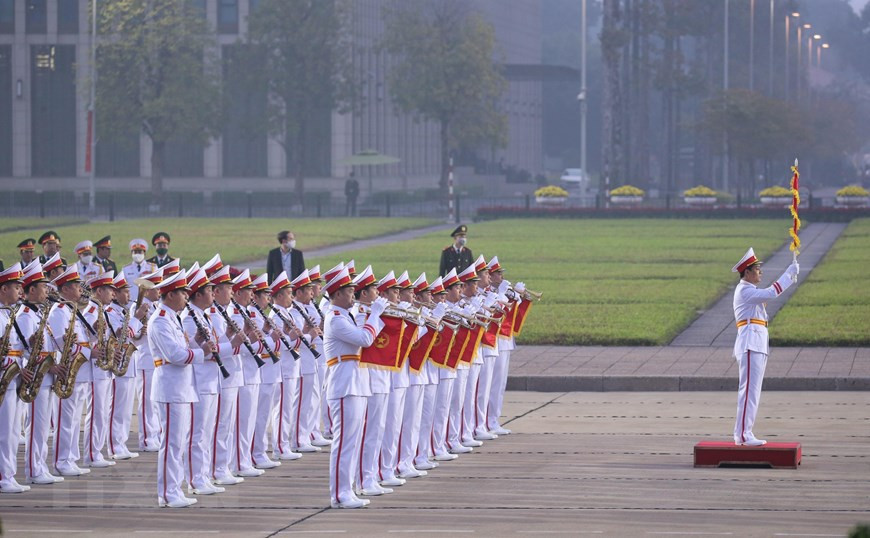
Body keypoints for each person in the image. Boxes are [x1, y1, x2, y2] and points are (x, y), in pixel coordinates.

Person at [149, 268, 215, 508]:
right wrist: (202, 352)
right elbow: (175, 355)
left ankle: (175, 489)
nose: (187, 297)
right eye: (182, 293)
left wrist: (197, 341)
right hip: (170, 388)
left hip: (181, 387)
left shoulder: (172, 318)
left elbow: (183, 350)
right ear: (170, 295)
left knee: (178, 442)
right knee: (171, 443)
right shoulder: (160, 320)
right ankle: (168, 493)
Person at [323, 266, 387, 508]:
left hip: (355, 383)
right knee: (344, 443)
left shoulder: (346, 316)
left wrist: (374, 315)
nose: (354, 295)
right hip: (344, 384)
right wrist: (375, 314)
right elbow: (364, 339)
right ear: (338, 294)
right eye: (350, 291)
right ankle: (340, 494)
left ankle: (347, 490)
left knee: (353, 441)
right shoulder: (335, 318)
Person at [731, 248, 799, 447]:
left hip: (757, 343)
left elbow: (767, 297)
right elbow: (771, 293)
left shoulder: (749, 290)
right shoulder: (745, 290)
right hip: (750, 344)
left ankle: (745, 432)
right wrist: (789, 273)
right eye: (757, 269)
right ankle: (743, 435)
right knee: (748, 392)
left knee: (753, 392)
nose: (760, 272)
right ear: (747, 272)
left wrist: (790, 277)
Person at [0, 263, 28, 493]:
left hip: (13, 379)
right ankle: (3, 477)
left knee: (11, 432)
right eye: (16, 287)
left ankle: (9, 474)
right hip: (4, 380)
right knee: (4, 432)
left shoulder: (9, 314)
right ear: (3, 289)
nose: (20, 291)